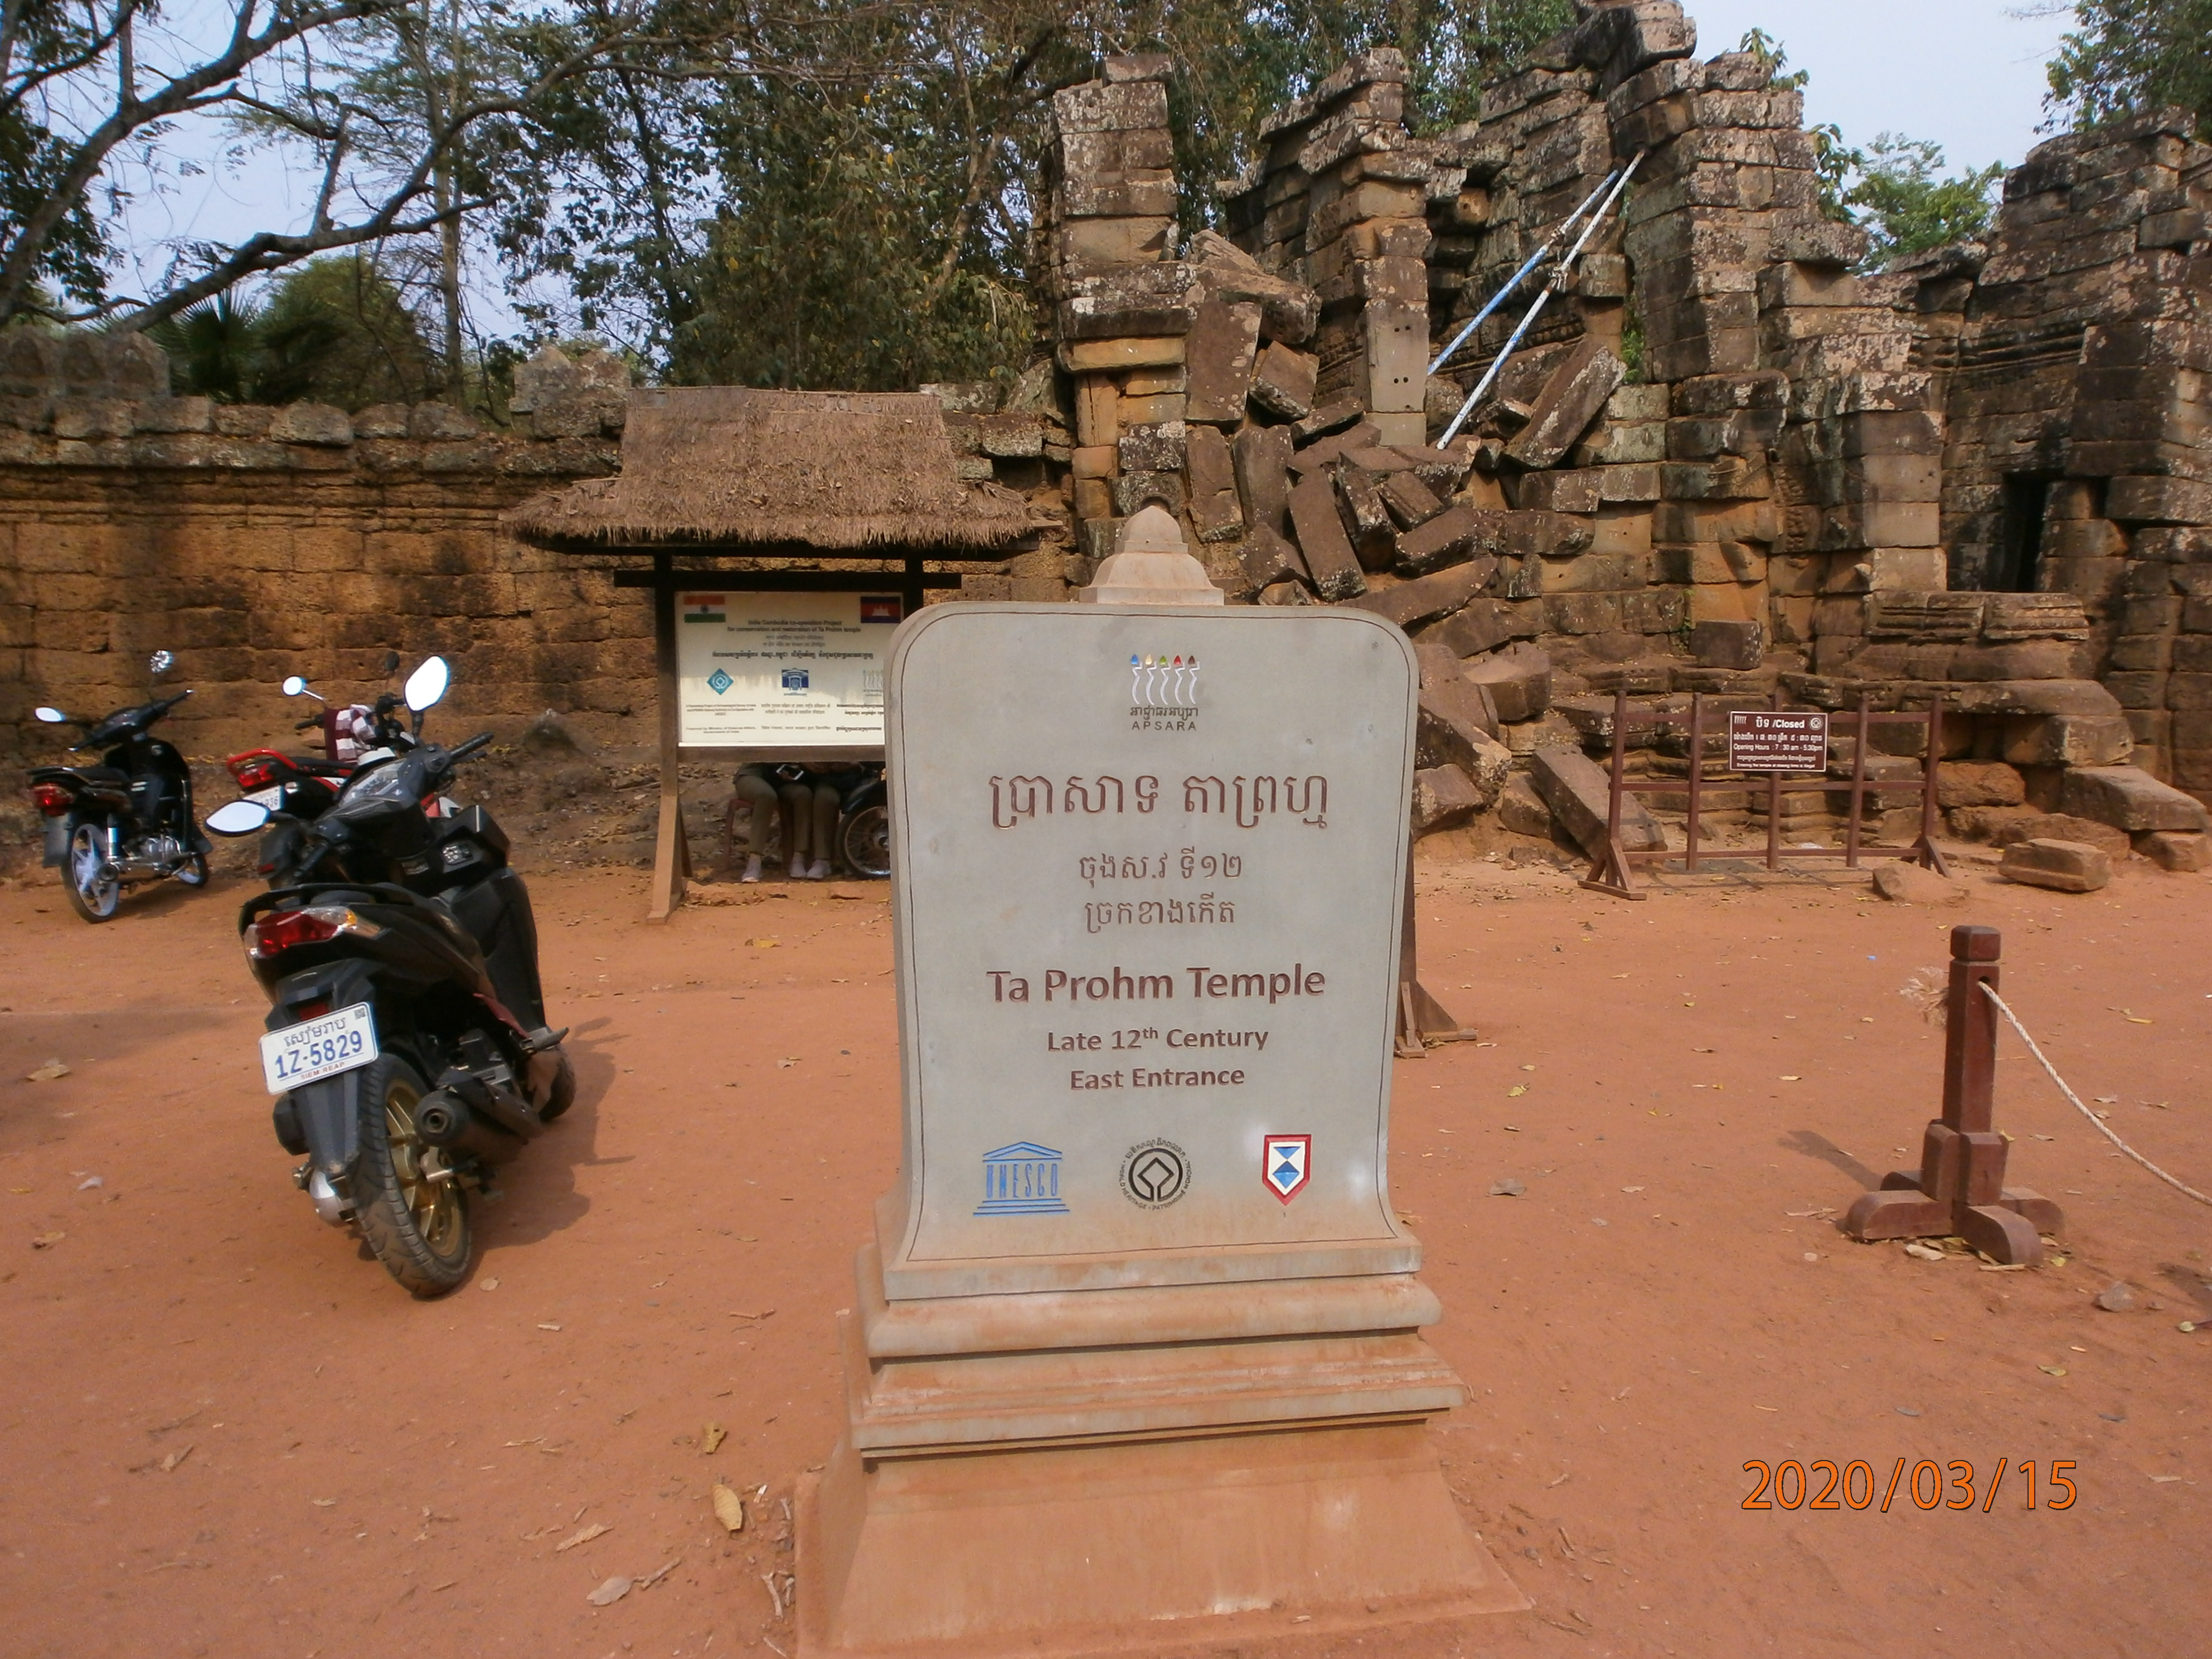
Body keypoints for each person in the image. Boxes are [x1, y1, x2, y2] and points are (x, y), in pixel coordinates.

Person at [733, 762, 847, 882]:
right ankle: (754, 862)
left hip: (783, 779)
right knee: (766, 796)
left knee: (803, 794)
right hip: (757, 773)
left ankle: (799, 858)